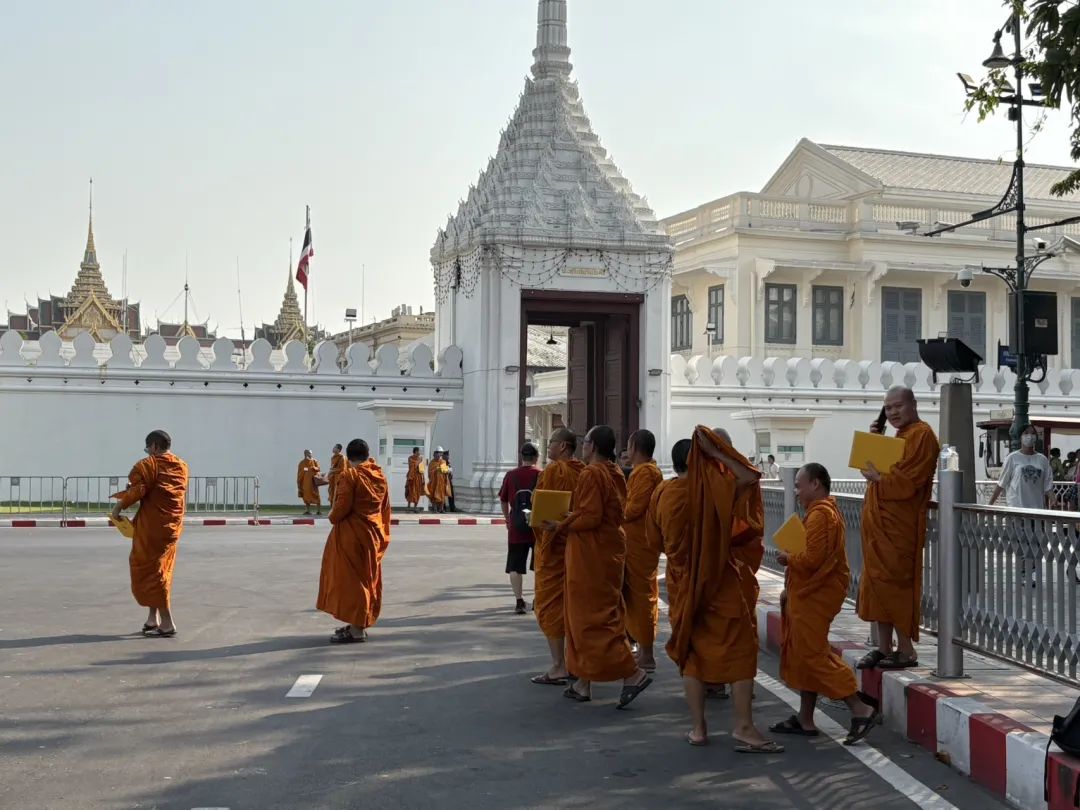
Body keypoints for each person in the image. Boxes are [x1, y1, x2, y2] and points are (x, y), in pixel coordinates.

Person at [649, 428, 780, 751]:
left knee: (692, 656)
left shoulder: (661, 494)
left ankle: (698, 728)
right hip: (720, 584)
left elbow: (653, 543)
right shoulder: (710, 492)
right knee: (740, 652)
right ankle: (744, 727)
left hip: (683, 586)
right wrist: (720, 453)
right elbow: (750, 477)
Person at [772, 463, 879, 744]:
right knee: (807, 651)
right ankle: (805, 718)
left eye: (799, 485)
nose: (796, 491)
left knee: (812, 655)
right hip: (809, 593)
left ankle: (860, 708)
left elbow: (812, 560)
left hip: (817, 594)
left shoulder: (821, 516)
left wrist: (788, 559)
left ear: (816, 484)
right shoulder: (817, 514)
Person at [549, 425, 651, 707]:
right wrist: (572, 518)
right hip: (605, 550)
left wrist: (561, 524)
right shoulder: (615, 471)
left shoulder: (594, 473)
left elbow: (591, 517)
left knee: (593, 620)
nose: (582, 447)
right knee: (593, 616)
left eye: (585, 443)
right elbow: (596, 512)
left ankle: (633, 673)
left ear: (592, 446)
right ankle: (583, 683)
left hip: (592, 554)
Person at [856, 386, 939, 671]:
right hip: (879, 527)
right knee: (878, 586)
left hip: (901, 527)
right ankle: (883, 648)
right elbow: (877, 472)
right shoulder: (898, 437)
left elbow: (909, 483)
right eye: (888, 408)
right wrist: (874, 443)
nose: (892, 412)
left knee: (897, 587)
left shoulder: (922, 436)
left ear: (914, 404)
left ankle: (906, 650)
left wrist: (880, 476)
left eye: (897, 406)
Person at [110, 430, 189, 638]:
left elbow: (138, 492)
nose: (148, 453)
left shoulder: (148, 465)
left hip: (153, 528)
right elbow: (164, 492)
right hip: (171, 528)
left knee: (150, 572)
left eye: (148, 449)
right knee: (162, 569)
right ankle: (153, 618)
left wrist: (118, 508)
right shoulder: (181, 466)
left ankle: (167, 623)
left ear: (154, 446)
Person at [317, 438, 392, 644]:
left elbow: (340, 509)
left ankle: (357, 630)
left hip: (352, 536)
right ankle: (356, 623)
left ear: (348, 458)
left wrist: (331, 516)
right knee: (367, 578)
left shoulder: (350, 476)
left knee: (353, 582)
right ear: (367, 455)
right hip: (373, 533)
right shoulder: (379, 475)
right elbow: (385, 508)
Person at [529, 428, 586, 686]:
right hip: (577, 546)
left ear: (563, 446)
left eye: (551, 442)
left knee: (550, 606)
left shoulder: (553, 471)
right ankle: (574, 662)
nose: (547, 446)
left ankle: (558, 665)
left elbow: (540, 510)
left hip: (554, 547)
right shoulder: (584, 470)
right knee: (573, 606)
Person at [621, 428, 664, 672]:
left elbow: (633, 509)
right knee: (632, 598)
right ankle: (637, 647)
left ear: (635, 447)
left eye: (628, 445)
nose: (627, 451)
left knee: (643, 598)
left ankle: (647, 654)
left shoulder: (646, 473)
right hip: (633, 543)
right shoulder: (642, 472)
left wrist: (614, 507)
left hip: (641, 544)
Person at [498, 443, 542, 614]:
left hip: (516, 526)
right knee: (540, 565)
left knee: (515, 566)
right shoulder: (542, 475)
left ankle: (519, 601)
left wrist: (508, 519)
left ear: (521, 457)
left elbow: (503, 500)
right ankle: (538, 600)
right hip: (537, 526)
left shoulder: (511, 475)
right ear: (537, 457)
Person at [990, 425, 1053, 510]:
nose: (1030, 436)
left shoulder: (1043, 460)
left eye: (1033, 433)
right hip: (1017, 509)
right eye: (1026, 433)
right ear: (1020, 437)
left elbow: (1048, 486)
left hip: (1037, 510)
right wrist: (989, 505)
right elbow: (1001, 484)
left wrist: (1054, 499)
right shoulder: (1012, 458)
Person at [297, 449, 322, 516]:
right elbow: (300, 472)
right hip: (305, 482)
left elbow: (318, 468)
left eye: (311, 453)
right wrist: (299, 482)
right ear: (305, 454)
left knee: (316, 496)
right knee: (306, 496)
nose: (310, 455)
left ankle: (318, 511)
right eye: (309, 453)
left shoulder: (314, 461)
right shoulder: (302, 463)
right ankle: (308, 511)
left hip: (313, 482)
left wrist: (313, 468)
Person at [427, 449, 452, 514]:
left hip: (442, 481)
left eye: (439, 456)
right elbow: (429, 473)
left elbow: (445, 471)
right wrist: (436, 470)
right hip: (434, 482)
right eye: (436, 455)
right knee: (434, 496)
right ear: (434, 455)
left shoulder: (443, 461)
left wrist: (447, 470)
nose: (438, 457)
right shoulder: (432, 463)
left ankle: (441, 509)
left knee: (442, 496)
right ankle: (435, 509)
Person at [405, 447, 426, 513]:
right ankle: (408, 506)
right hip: (411, 477)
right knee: (410, 491)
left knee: (417, 492)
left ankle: (415, 507)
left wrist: (423, 478)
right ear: (416, 451)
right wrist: (418, 462)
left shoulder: (421, 459)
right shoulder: (410, 458)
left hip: (418, 477)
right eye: (419, 451)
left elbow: (422, 469)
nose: (420, 453)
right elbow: (412, 465)